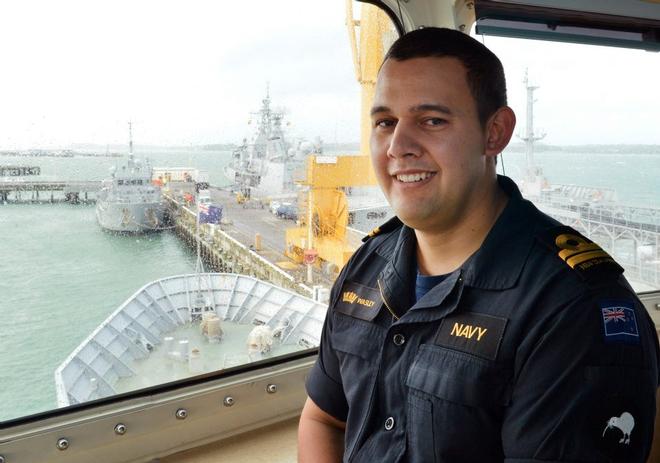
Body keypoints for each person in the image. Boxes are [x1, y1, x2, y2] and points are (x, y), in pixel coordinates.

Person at [298, 27, 660, 462]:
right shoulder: (366, 266)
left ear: (495, 133)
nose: (398, 146)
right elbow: (323, 419)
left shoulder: (574, 310)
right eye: (385, 122)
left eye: (432, 120)